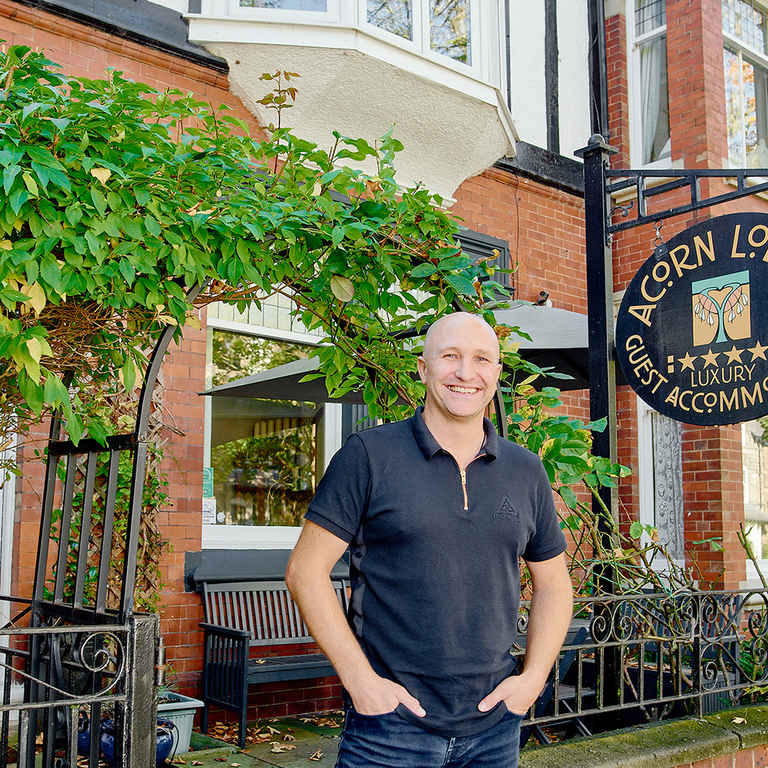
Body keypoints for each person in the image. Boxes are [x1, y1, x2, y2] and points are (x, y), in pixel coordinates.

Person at [285, 312, 573, 768]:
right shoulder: (368, 455)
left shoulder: (526, 470)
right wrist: (360, 681)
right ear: (423, 368)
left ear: (497, 374)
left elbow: (554, 583)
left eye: (481, 359)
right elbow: (305, 570)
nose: (465, 372)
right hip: (389, 728)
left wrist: (533, 678)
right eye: (450, 356)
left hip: (495, 728)